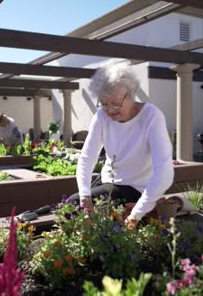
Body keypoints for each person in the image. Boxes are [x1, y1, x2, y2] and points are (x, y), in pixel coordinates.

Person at [68, 60, 174, 227]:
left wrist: (137, 213)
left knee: (71, 206)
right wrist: (84, 195)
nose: (110, 110)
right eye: (104, 104)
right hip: (109, 182)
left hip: (137, 188)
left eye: (116, 103)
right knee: (75, 204)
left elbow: (164, 172)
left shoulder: (151, 116)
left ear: (132, 95)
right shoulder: (101, 117)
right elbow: (87, 157)